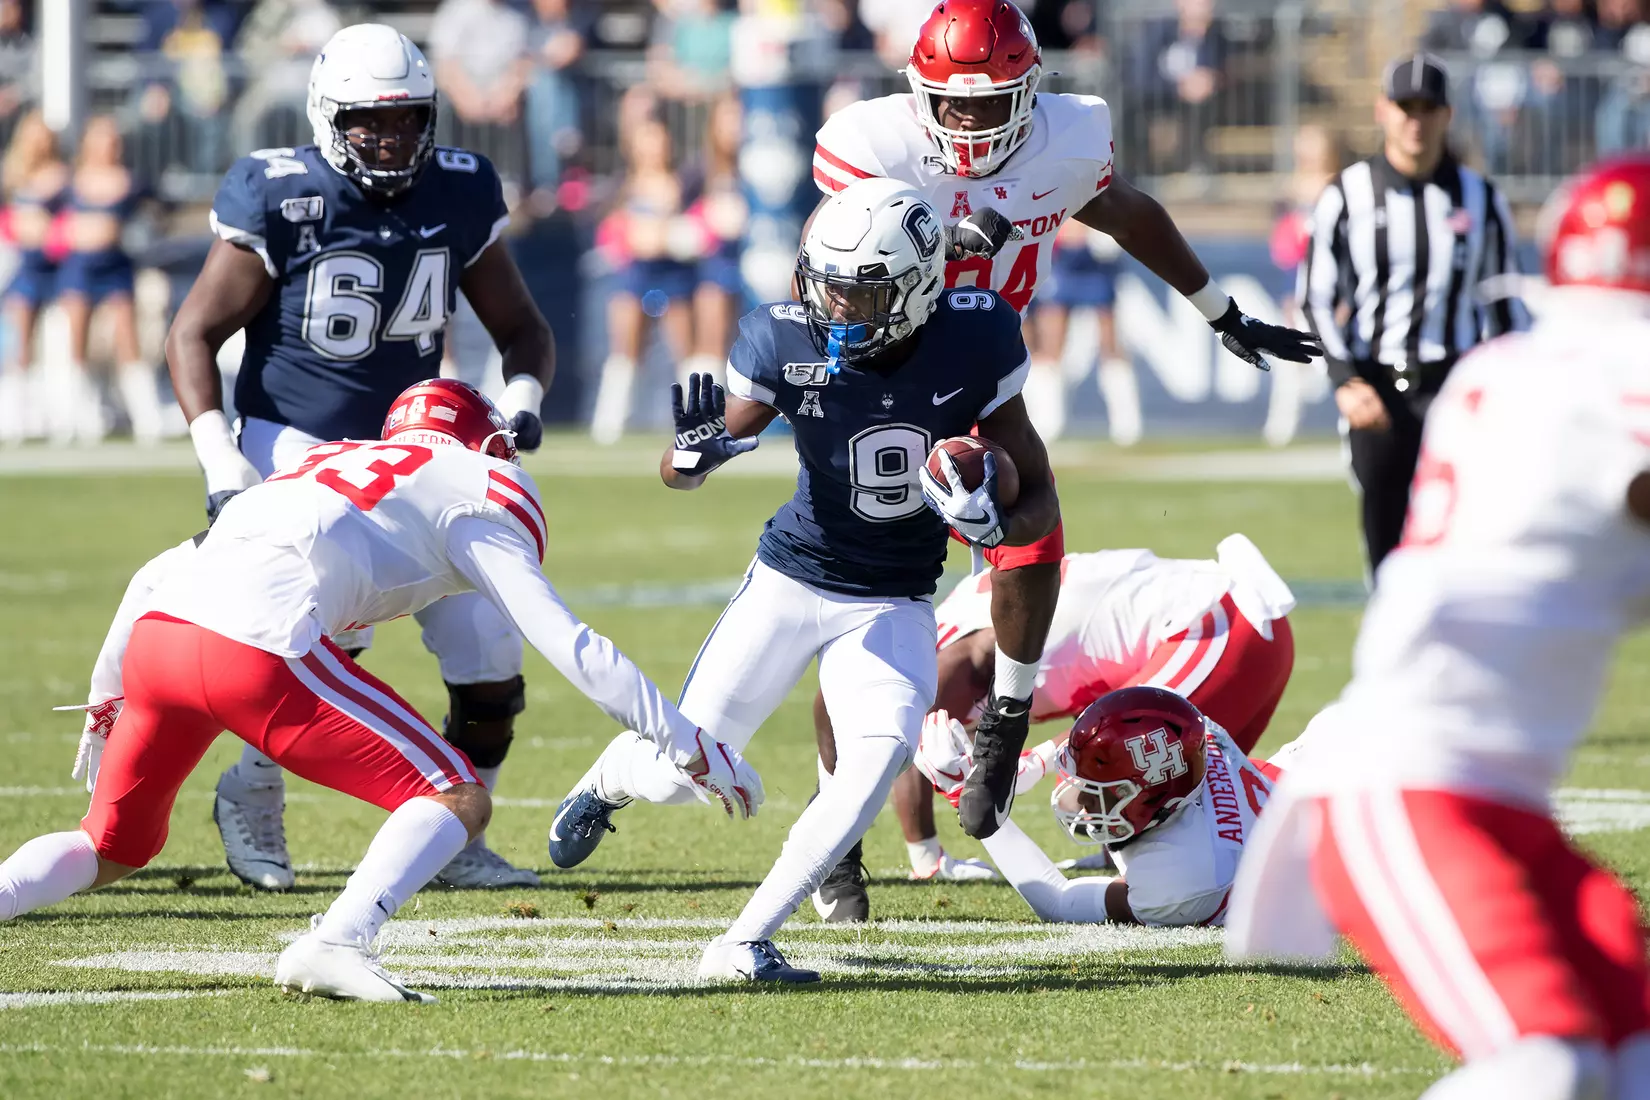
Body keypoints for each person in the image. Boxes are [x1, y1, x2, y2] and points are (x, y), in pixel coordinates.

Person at [0, 378, 757, 1004]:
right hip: (255, 650)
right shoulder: (483, 484)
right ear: (484, 443)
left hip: (159, 642)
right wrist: (684, 742)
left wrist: (108, 700)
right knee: (456, 795)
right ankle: (335, 943)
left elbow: (154, 575)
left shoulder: (320, 461)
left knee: (111, 845)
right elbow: (570, 644)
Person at [809, 0, 1321, 841]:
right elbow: (825, 262)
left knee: (1031, 514)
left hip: (985, 363)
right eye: (952, 104)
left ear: (1029, 92)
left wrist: (1221, 311)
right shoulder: (873, 144)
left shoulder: (1068, 139)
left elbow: (1125, 213)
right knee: (856, 606)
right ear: (918, 95)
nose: (968, 123)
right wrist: (941, 242)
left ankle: (1007, 719)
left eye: (988, 102)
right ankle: (837, 837)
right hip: (886, 369)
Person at [547, 178, 1059, 982]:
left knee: (876, 760)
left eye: (863, 294)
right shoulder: (782, 338)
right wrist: (692, 455)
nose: (837, 308)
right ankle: (613, 776)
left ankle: (743, 939)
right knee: (681, 777)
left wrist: (992, 523)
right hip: (790, 581)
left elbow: (1040, 501)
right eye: (828, 287)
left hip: (893, 598)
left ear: (918, 290)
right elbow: (687, 464)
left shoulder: (976, 338)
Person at [1229, 155, 1650, 1099]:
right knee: (1547, 1065)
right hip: (1411, 787)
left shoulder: (1505, 373)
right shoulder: (1609, 379)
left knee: (1632, 1064)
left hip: (1500, 802)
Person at [166, 24, 556, 892]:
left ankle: (459, 836)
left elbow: (522, 328)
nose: (391, 138)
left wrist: (522, 402)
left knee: (490, 649)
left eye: (408, 118)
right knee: (319, 633)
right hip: (295, 439)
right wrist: (221, 461)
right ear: (326, 116)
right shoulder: (280, 192)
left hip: (414, 450)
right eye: (369, 122)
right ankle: (251, 788)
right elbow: (194, 331)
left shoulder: (460, 187)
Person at [811, 534, 1295, 919]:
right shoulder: (945, 642)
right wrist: (930, 851)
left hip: (1217, 626)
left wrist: (993, 783)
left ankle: (1141, 856)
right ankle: (1127, 850)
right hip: (1238, 618)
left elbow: (904, 741)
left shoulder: (950, 663)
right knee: (1184, 787)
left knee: (1152, 773)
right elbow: (907, 740)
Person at [1299, 52, 1527, 578]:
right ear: (1383, 110)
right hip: (1375, 389)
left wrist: (1511, 390)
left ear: (1447, 115)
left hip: (1455, 388)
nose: (1415, 121)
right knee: (1388, 551)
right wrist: (1344, 380)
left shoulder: (1481, 198)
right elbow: (1314, 298)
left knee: (1462, 542)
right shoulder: (1346, 195)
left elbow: (1505, 306)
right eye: (1406, 107)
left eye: (1428, 108)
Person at [916, 687, 1278, 927]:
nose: (1081, 800)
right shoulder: (1186, 738)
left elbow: (1059, 901)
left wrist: (965, 794)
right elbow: (1119, 721)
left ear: (1148, 798)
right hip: (1281, 786)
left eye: (1099, 791)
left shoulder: (1184, 877)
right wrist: (1032, 762)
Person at [587, 115, 700, 445]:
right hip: (634, 276)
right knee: (625, 351)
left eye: (659, 139)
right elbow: (610, 232)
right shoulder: (623, 185)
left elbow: (697, 228)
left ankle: (698, 422)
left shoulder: (684, 183)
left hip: (673, 275)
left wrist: (667, 236)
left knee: (685, 350)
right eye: (646, 140)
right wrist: (633, 237)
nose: (654, 147)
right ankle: (609, 428)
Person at [57, 116, 167, 446]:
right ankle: (78, 418)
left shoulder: (131, 181)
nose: (110, 145)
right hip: (79, 267)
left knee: (127, 338)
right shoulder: (72, 180)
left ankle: (147, 417)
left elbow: (159, 212)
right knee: (77, 342)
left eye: (114, 140)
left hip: (115, 266)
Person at [0, 110, 65, 445]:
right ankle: (16, 415)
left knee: (58, 340)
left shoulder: (61, 176)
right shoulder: (12, 175)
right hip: (23, 266)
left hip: (57, 266)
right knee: (19, 341)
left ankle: (59, 413)